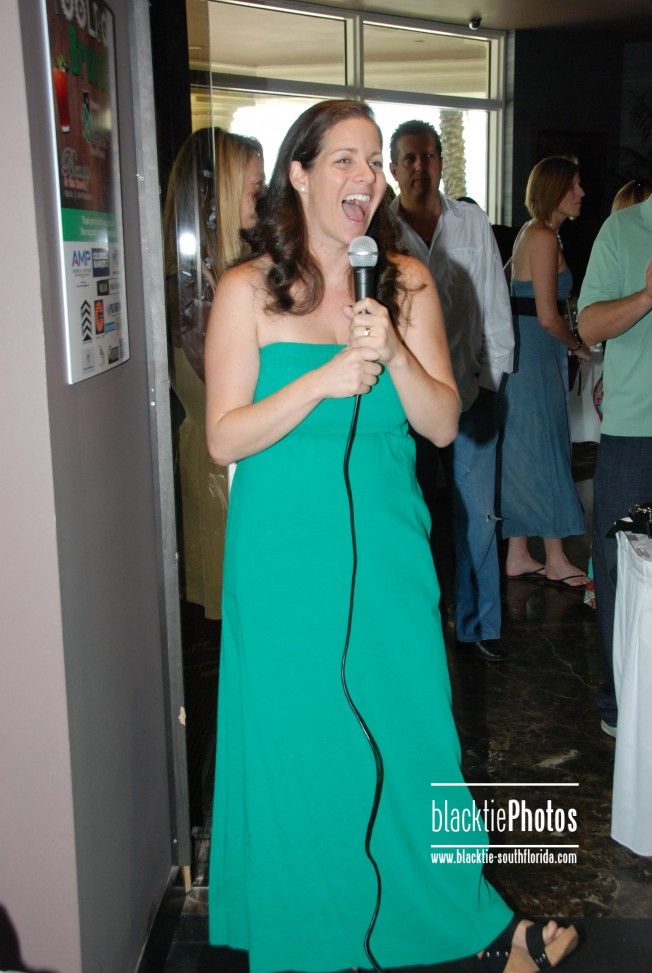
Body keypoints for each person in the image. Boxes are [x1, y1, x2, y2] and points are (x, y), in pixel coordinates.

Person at [204, 99, 578, 973]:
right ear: (299, 174)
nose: (366, 176)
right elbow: (224, 436)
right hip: (283, 555)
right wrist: (324, 378)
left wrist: (395, 354)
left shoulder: (404, 282)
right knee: (302, 742)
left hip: (388, 548)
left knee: (416, 733)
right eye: (344, 159)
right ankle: (313, 934)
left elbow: (444, 422)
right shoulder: (246, 289)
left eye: (373, 161)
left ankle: (470, 920)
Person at [388, 119, 514, 663]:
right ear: (394, 169)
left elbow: (494, 305)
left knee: (477, 517)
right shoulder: (381, 232)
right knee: (408, 513)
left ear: (441, 163)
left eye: (430, 156)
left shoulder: (471, 222)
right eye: (410, 158)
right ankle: (415, 623)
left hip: (469, 395)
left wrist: (489, 384)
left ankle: (477, 625)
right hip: (404, 403)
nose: (421, 167)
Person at [163, 127, 264, 620]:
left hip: (229, 469)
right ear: (219, 195)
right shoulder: (196, 292)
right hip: (223, 476)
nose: (264, 202)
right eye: (255, 189)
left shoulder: (212, 282)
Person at [577, 192, 652, 737]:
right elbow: (589, 326)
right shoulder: (623, 230)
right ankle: (621, 703)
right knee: (621, 570)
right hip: (635, 436)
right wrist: (646, 297)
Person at [498, 157, 591, 586]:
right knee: (548, 448)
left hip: (527, 354)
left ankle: (518, 553)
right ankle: (554, 558)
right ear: (554, 190)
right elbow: (549, 317)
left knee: (524, 451)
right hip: (536, 356)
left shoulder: (531, 233)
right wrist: (577, 346)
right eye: (573, 186)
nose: (581, 193)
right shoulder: (543, 236)